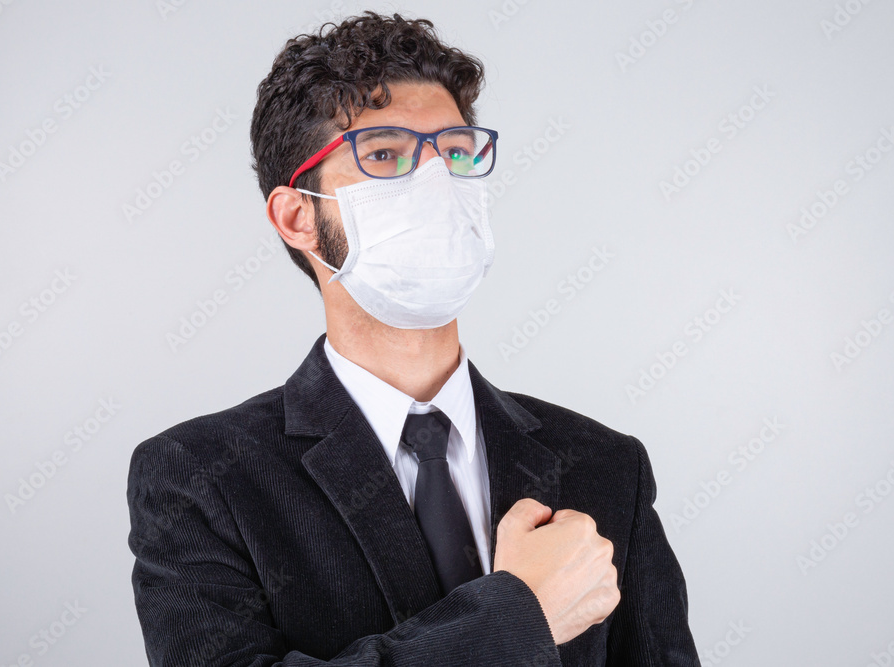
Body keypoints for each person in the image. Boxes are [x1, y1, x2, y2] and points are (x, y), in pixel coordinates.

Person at [127, 11, 700, 666]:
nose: (436, 182)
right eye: (383, 154)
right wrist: (520, 615)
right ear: (298, 217)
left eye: (455, 152)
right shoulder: (201, 476)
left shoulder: (606, 464)